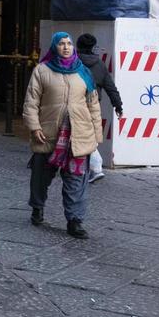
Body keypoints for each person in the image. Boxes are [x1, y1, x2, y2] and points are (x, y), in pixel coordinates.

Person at [21, 32, 103, 239]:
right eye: (61, 44)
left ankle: (75, 220)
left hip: (78, 133)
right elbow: (31, 102)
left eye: (69, 43)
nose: (66, 47)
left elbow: (93, 105)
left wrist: (96, 136)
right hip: (48, 133)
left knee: (76, 178)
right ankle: (37, 207)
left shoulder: (83, 72)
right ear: (54, 47)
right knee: (41, 175)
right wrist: (34, 126)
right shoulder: (42, 70)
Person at [76, 33, 123, 184]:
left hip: (74, 103)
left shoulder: (72, 62)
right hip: (93, 105)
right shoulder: (100, 65)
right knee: (87, 134)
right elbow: (110, 87)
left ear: (78, 46)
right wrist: (118, 105)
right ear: (93, 47)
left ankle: (96, 167)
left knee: (76, 134)